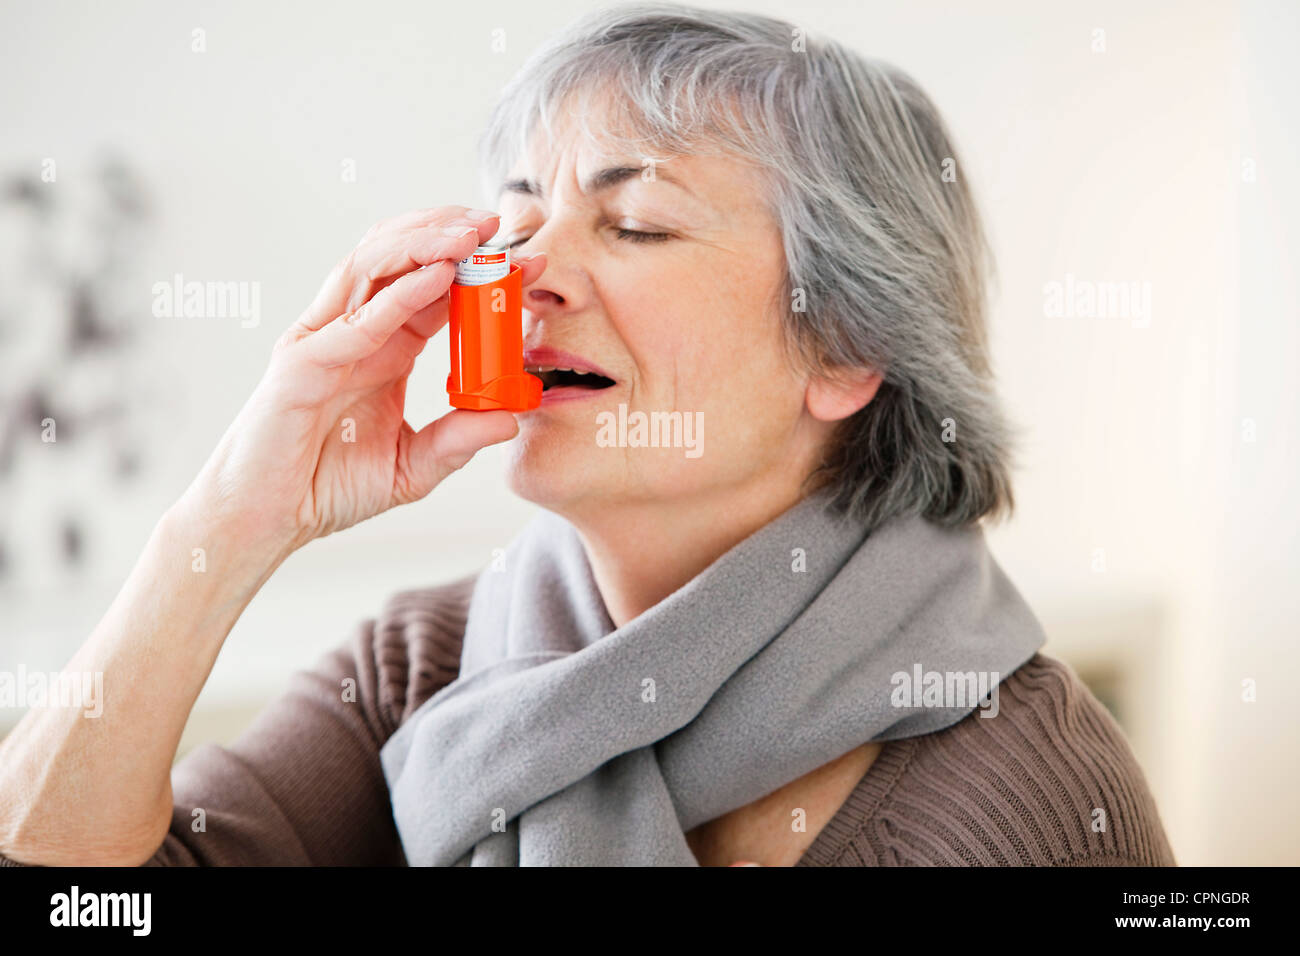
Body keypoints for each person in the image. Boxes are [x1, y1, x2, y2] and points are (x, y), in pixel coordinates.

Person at [0, 3, 1175, 867]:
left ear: (845, 348)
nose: (525, 269)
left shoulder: (1027, 788)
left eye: (635, 222)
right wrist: (230, 518)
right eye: (516, 211)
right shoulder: (421, 665)